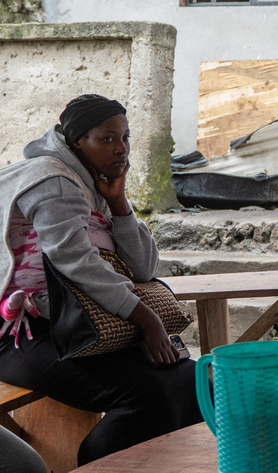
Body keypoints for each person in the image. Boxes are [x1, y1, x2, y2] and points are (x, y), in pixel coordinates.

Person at [0, 95, 202, 465]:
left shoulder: (94, 183)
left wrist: (120, 203)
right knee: (147, 395)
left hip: (80, 324)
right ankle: (95, 466)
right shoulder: (54, 181)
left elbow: (143, 268)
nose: (120, 149)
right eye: (107, 139)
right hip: (24, 335)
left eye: (125, 138)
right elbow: (76, 262)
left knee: (190, 380)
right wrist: (146, 318)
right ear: (78, 141)